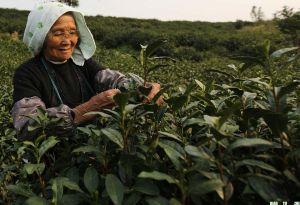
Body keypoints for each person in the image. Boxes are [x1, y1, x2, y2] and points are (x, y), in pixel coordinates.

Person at [11, 2, 162, 141]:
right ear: (40, 36)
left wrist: (142, 86)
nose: (67, 40)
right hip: (54, 159)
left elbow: (112, 79)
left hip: (92, 147)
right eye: (58, 33)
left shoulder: (82, 62)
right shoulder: (27, 73)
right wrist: (88, 108)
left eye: (72, 32)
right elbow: (28, 126)